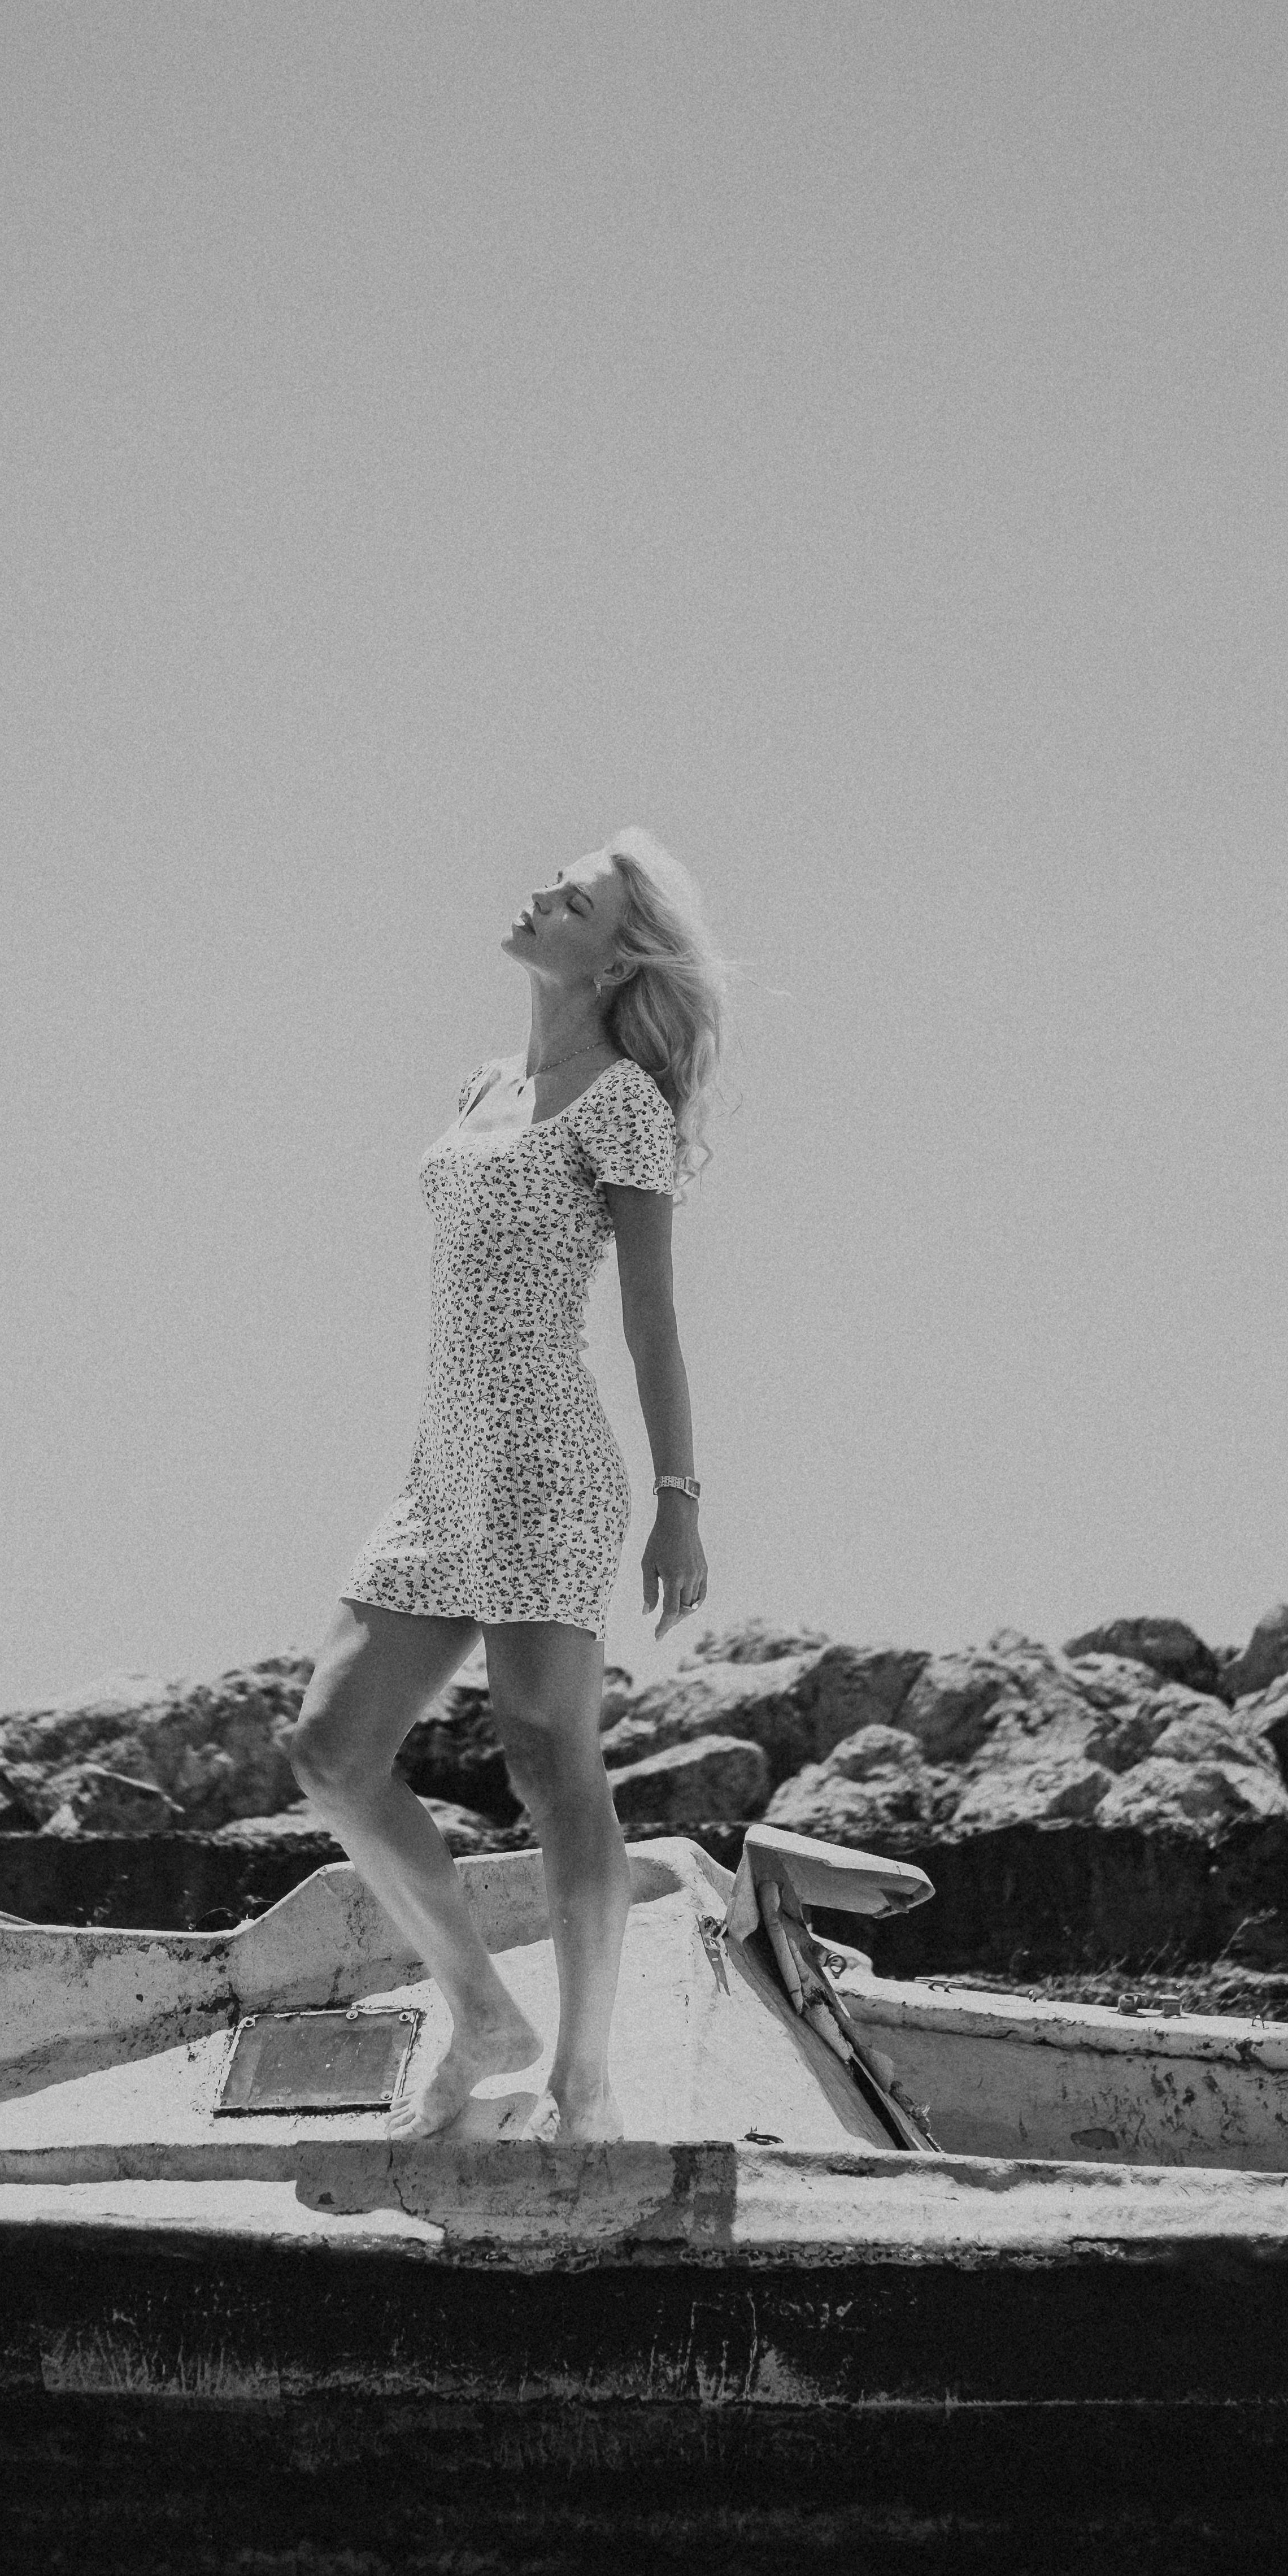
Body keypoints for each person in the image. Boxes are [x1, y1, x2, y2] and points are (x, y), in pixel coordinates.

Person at [289, 826, 730, 2140]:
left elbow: (652, 1321)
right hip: (442, 1473)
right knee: (330, 1752)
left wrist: (679, 1499)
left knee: (547, 1756)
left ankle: (582, 2078)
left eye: (574, 896)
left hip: (548, 1461)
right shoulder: (481, 1087)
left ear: (611, 955)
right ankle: (483, 2008)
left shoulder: (622, 1106)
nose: (539, 891)